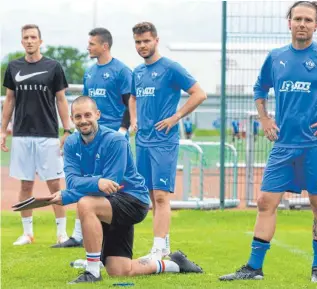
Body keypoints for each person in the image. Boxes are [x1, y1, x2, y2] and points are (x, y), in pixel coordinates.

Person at [220, 1, 317, 283]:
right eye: (297, 18)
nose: (302, 23)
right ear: (288, 22)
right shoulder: (276, 57)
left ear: (316, 25)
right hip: (283, 146)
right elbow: (259, 87)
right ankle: (254, 268)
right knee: (265, 201)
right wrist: (264, 119)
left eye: (308, 20)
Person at [48, 96, 202, 283]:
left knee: (85, 204)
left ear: (97, 115)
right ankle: (174, 264)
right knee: (119, 270)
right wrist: (93, 184)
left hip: (132, 201)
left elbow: (110, 185)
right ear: (72, 119)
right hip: (107, 203)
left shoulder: (115, 140)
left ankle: (92, 272)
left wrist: (69, 195)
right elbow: (73, 181)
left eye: (88, 115)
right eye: (78, 116)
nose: (83, 120)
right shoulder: (71, 143)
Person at [129, 22, 207, 260]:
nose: (142, 46)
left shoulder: (171, 68)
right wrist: (134, 119)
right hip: (142, 142)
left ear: (156, 40)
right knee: (152, 196)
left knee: (162, 196)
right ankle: (163, 244)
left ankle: (158, 248)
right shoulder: (138, 72)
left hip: (163, 142)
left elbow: (199, 93)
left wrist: (176, 117)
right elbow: (132, 97)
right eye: (138, 42)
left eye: (146, 41)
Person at [53, 27, 132, 248]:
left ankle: (108, 240)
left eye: (92, 43)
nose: (87, 47)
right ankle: (79, 235)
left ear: (104, 45)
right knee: (86, 182)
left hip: (112, 138)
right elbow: (83, 101)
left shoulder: (121, 71)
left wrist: (123, 130)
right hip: (88, 139)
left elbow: (130, 103)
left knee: (111, 189)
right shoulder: (89, 72)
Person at [1, 24, 71, 246]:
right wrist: (3, 130)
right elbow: (9, 100)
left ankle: (62, 233)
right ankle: (27, 233)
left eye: (33, 37)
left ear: (41, 41)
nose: (29, 41)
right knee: (25, 186)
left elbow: (61, 100)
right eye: (26, 37)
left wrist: (67, 129)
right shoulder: (13, 67)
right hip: (21, 134)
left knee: (54, 185)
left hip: (48, 135)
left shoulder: (53, 67)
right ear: (22, 42)